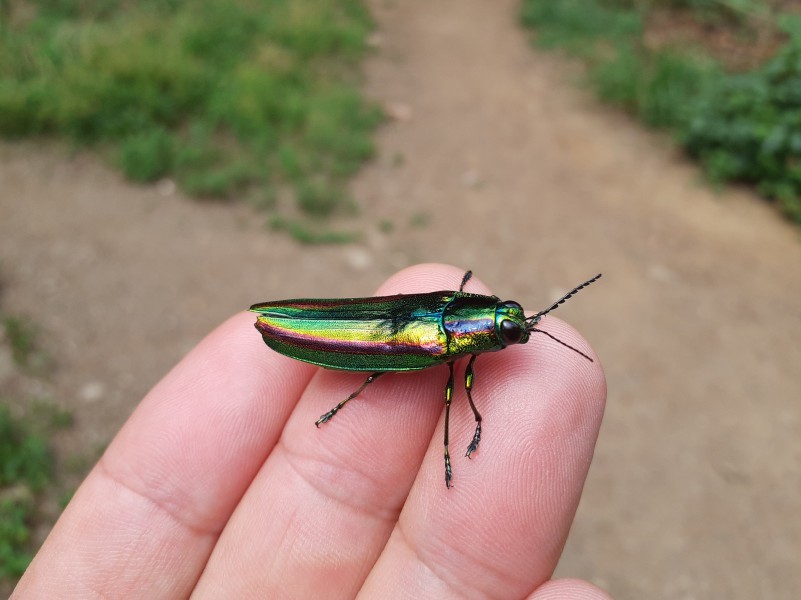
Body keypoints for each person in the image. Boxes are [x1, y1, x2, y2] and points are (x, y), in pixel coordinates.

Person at [13, 264, 610, 599]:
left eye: (515, 327)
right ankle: (343, 387)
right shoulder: (452, 350)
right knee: (398, 376)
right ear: (489, 324)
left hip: (419, 325)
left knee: (431, 383)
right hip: (399, 334)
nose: (520, 327)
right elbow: (460, 389)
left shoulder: (454, 328)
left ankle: (347, 391)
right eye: (511, 324)